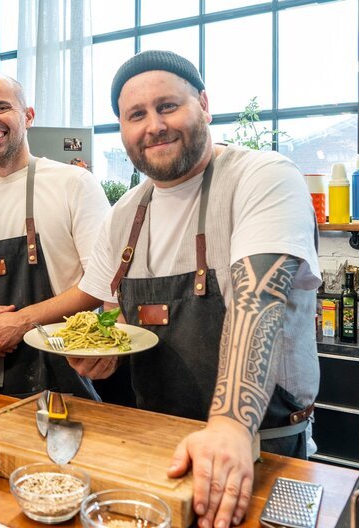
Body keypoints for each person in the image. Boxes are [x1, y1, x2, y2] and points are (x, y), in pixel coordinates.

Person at [68, 50, 320, 528]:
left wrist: (229, 425)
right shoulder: (125, 215)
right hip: (160, 443)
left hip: (263, 448)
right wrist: (102, 349)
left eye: (168, 106)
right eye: (136, 115)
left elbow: (257, 300)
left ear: (204, 104)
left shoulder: (262, 177)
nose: (154, 126)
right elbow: (110, 313)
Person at [0, 73, 111, 398]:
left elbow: (101, 284)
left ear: (28, 116)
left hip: (60, 374)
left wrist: (22, 323)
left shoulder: (73, 184)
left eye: (1, 107)